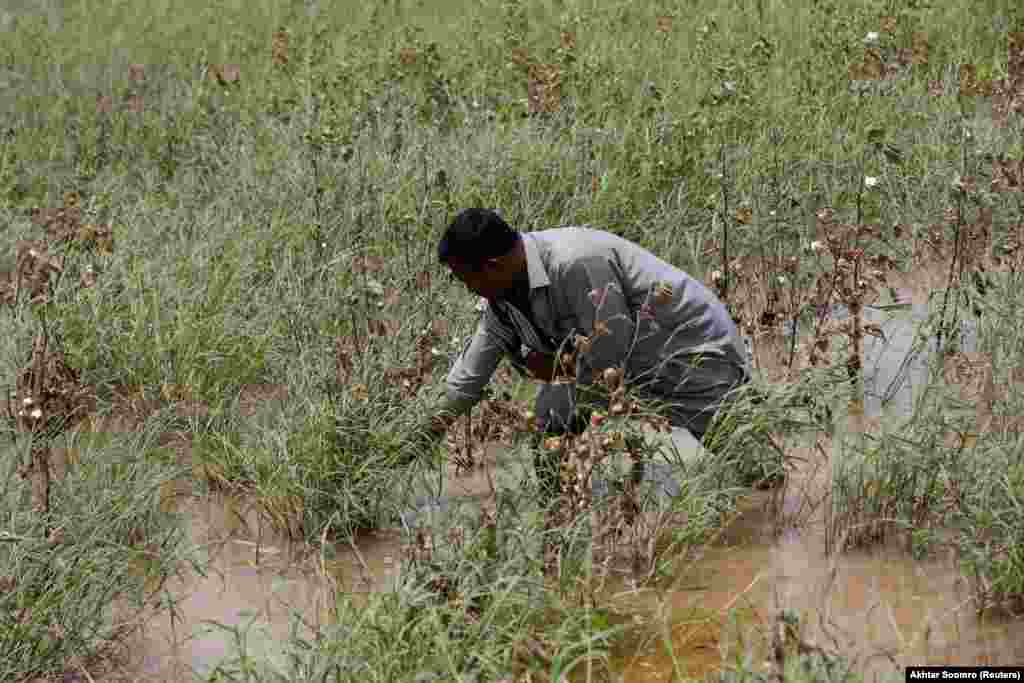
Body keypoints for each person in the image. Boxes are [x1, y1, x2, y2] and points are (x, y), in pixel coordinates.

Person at [419, 208, 750, 496]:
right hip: (634, 364)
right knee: (550, 426)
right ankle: (559, 528)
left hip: (690, 349)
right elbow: (464, 383)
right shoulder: (501, 302)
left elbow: (609, 352)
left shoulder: (575, 262)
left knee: (752, 460)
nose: (467, 289)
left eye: (465, 279)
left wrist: (558, 382)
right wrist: (412, 441)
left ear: (491, 266)